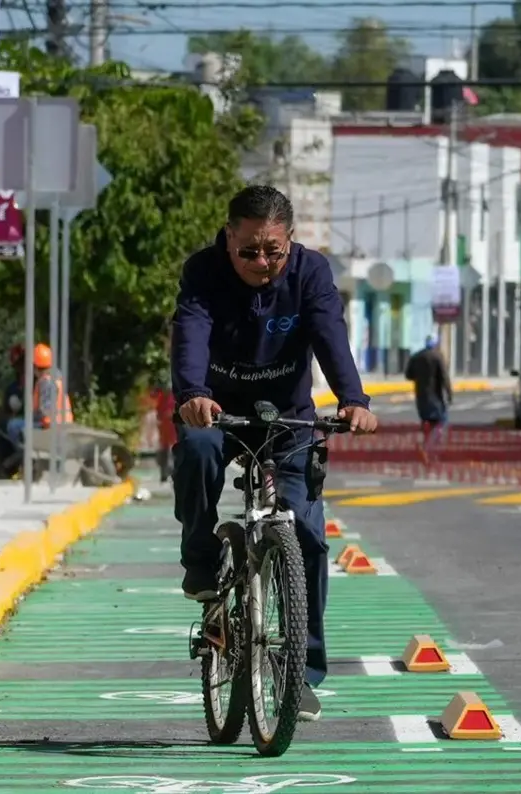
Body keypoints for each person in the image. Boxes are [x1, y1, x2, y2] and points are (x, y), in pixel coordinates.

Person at [171, 185, 377, 722]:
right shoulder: (203, 273)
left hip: (286, 417)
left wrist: (353, 400)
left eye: (273, 251)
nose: (262, 263)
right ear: (229, 235)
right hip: (215, 410)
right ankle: (200, 558)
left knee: (305, 533)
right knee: (195, 449)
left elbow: (330, 333)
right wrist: (192, 393)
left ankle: (301, 674)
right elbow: (190, 331)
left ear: (291, 241)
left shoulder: (310, 273)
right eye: (248, 251)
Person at [5, 343, 73, 446]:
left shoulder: (46, 382)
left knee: (13, 425)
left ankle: (24, 453)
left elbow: (45, 411)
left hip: (49, 426)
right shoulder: (56, 378)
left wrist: (30, 417)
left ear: (35, 366)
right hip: (62, 423)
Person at [405, 336, 451, 464]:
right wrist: (449, 394)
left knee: (427, 424)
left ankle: (428, 450)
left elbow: (408, 375)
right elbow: (444, 377)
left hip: (421, 397)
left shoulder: (416, 357)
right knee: (441, 422)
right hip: (436, 397)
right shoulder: (437, 357)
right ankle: (428, 449)